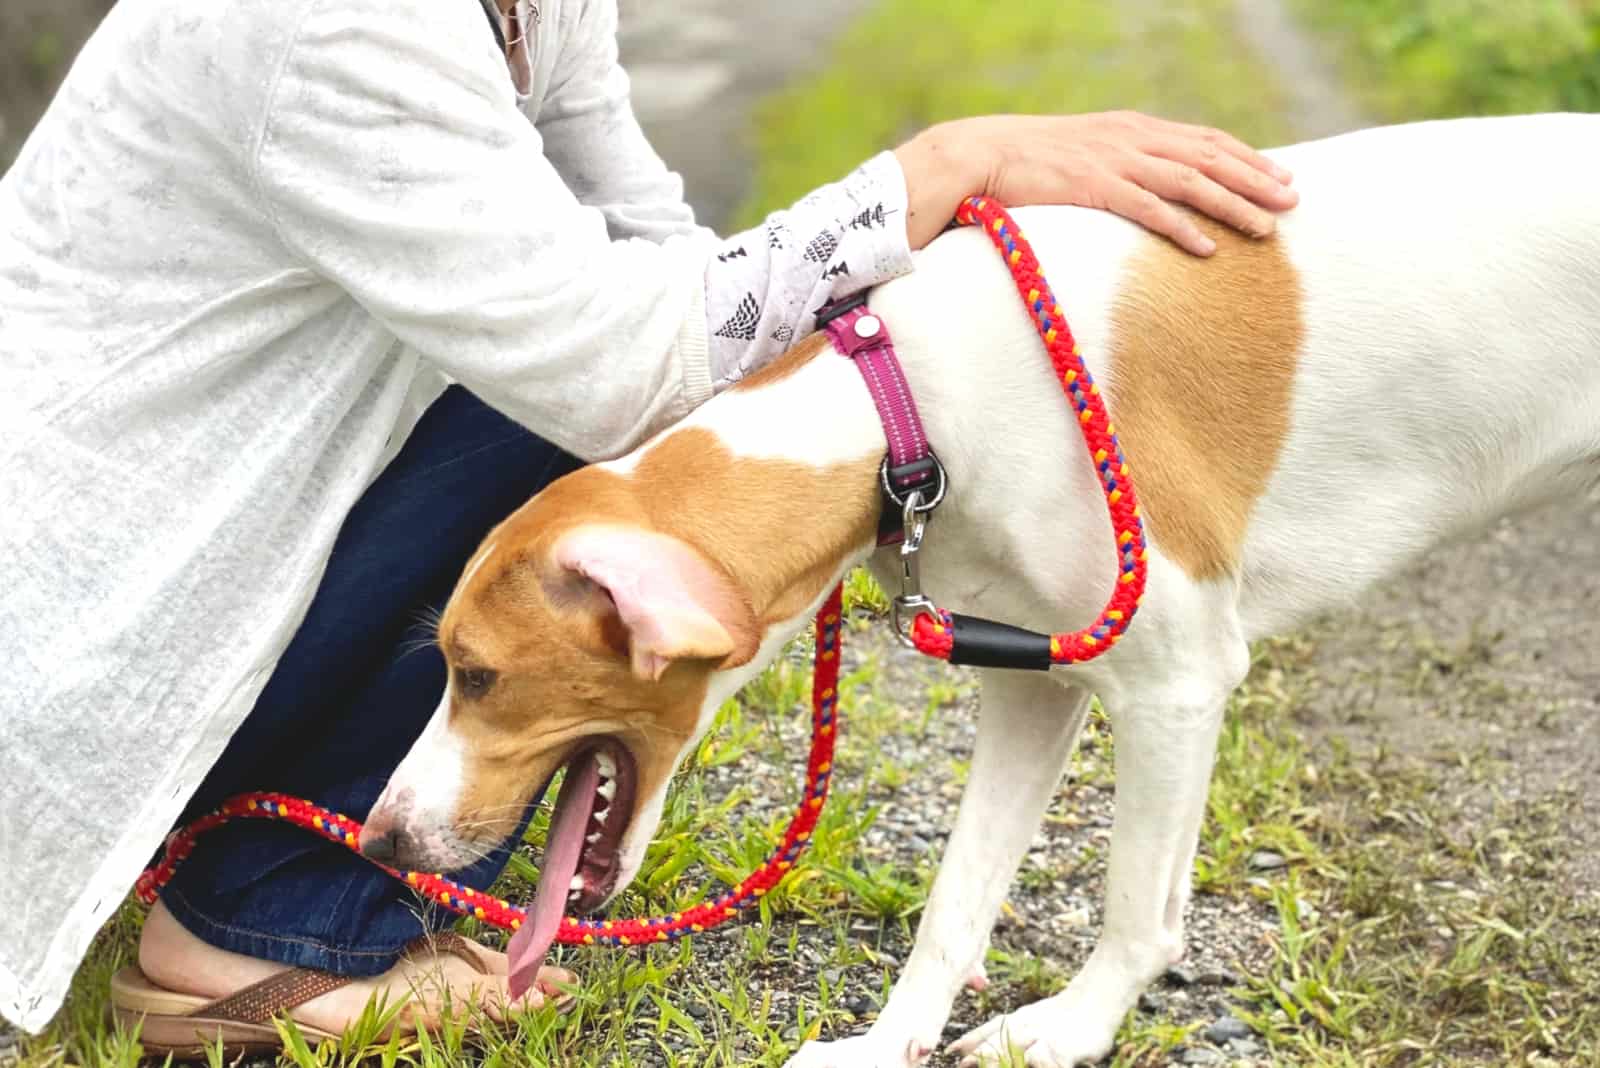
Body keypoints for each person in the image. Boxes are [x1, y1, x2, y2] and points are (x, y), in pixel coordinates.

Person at [0, 0, 1298, 1043]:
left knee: (612, 393)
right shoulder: (331, 25)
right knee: (575, 421)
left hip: (191, 569)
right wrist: (940, 169)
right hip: (80, 633)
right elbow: (618, 366)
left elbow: (655, 246)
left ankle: (272, 831)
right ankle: (264, 922)